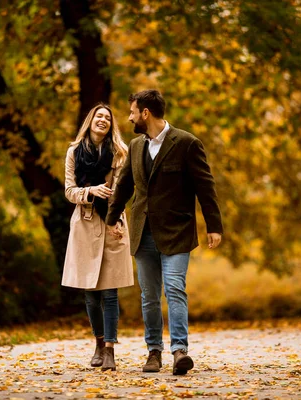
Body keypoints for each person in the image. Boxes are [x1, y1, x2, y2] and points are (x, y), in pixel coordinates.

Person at [105, 89, 223, 375]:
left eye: (133, 112)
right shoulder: (135, 146)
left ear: (146, 113)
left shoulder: (186, 143)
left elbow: (204, 187)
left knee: (174, 289)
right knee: (149, 295)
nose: (130, 117)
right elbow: (124, 186)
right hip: (143, 230)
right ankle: (154, 352)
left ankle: (179, 351)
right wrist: (111, 220)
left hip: (177, 232)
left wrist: (214, 226)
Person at [62, 104, 134, 371]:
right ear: (89, 121)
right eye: (98, 116)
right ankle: (99, 343)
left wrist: (115, 217)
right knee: (90, 292)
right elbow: (69, 191)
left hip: (112, 222)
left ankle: (111, 350)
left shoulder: (119, 153)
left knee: (110, 291)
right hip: (85, 221)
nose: (102, 120)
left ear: (111, 125)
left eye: (107, 117)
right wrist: (90, 191)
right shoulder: (74, 152)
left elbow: (124, 189)